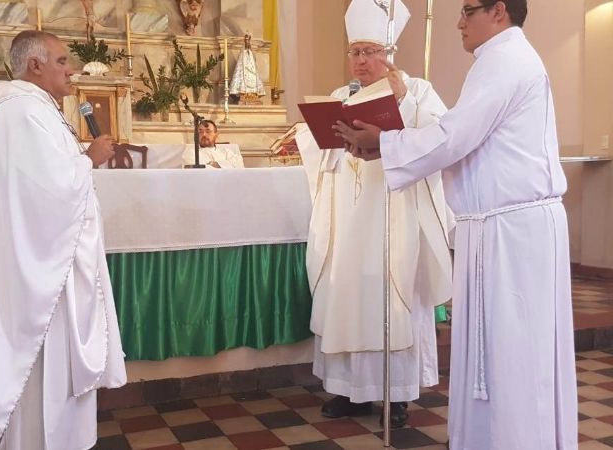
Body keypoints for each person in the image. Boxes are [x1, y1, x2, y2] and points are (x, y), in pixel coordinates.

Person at [338, 1, 577, 447]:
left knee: (512, 355)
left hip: (510, 233)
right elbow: (460, 138)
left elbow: (453, 135)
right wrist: (383, 146)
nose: (459, 22)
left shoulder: (504, 60)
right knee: (508, 353)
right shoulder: (502, 59)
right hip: (503, 228)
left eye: (469, 10)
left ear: (499, 11)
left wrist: (385, 144)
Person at [297, 0, 453, 429]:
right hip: (347, 221)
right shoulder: (339, 96)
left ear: (390, 54)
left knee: (390, 296)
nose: (362, 61)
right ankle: (347, 390)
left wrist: (403, 102)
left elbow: (443, 137)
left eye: (370, 51)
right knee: (347, 294)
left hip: (393, 216)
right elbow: (320, 150)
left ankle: (396, 394)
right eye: (355, 52)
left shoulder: (417, 90)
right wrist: (308, 137)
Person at [0, 30, 126, 450]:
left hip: (55, 265)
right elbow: (45, 191)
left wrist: (80, 162)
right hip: (42, 275)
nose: (69, 69)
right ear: (34, 65)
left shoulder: (35, 108)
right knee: (42, 372)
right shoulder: (21, 111)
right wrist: (88, 159)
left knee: (59, 380)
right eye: (61, 61)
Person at [229, 32, 266, 104]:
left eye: (248, 41)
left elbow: (253, 63)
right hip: (244, 71)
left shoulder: (250, 53)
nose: (247, 42)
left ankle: (253, 93)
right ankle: (244, 93)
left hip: (251, 70)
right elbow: (240, 64)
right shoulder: (243, 53)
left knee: (253, 77)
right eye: (246, 41)